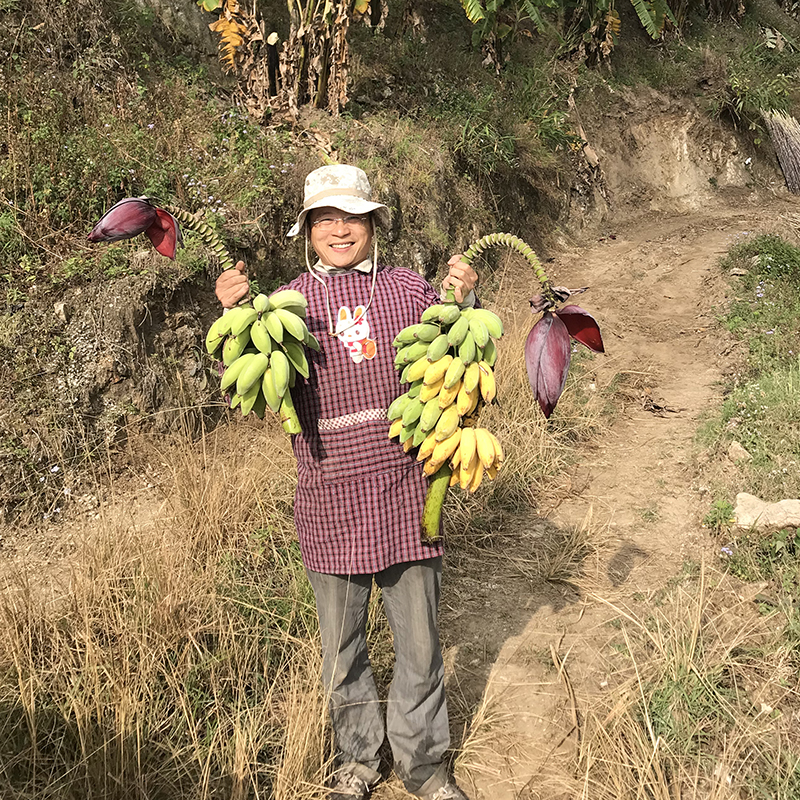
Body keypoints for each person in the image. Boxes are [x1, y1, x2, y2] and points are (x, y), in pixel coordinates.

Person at [215, 165, 478, 800]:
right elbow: (258, 396)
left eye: (352, 217)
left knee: (419, 646)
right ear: (306, 231)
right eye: (324, 219)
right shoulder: (285, 305)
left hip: (406, 489)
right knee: (343, 648)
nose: (340, 230)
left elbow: (451, 365)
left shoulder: (410, 290)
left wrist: (462, 300)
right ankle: (358, 765)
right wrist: (238, 316)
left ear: (372, 225)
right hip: (327, 494)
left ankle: (424, 768)